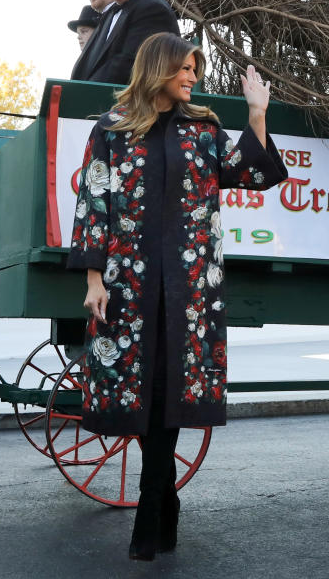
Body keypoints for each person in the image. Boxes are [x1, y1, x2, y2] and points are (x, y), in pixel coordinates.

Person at [67, 32, 287, 561]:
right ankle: (162, 503)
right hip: (129, 284)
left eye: (195, 69)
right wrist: (93, 280)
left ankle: (150, 512)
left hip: (189, 288)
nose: (192, 77)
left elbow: (247, 175)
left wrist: (257, 113)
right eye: (184, 68)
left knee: (168, 392)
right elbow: (93, 201)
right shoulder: (113, 129)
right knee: (142, 395)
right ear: (157, 69)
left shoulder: (203, 127)